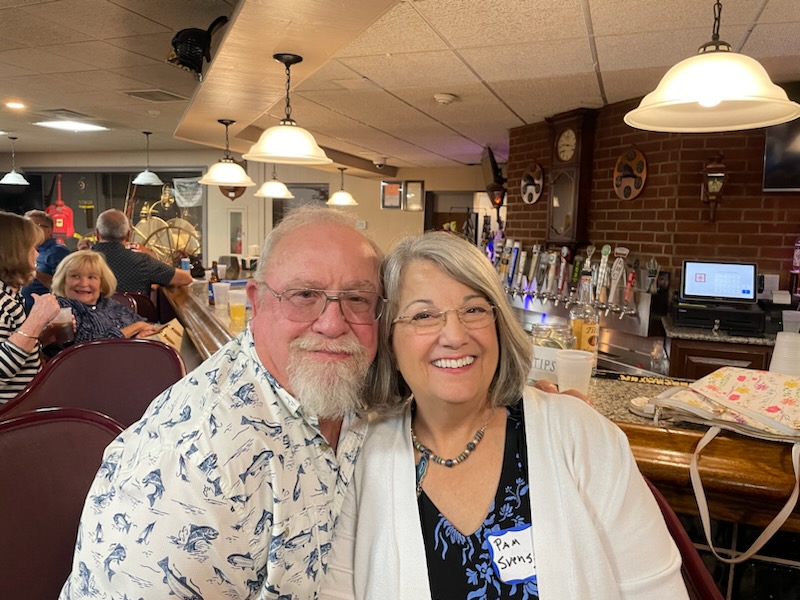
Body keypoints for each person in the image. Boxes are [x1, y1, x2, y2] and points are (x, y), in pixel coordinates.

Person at [320, 232, 688, 600]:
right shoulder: (359, 457)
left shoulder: (581, 435)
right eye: (424, 315)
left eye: (474, 310)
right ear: (389, 342)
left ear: (498, 324)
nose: (454, 335)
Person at [60, 205, 383, 599]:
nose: (333, 324)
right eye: (304, 295)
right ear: (256, 303)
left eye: (357, 298)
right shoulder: (195, 467)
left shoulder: (363, 394)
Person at [0, 211, 61, 403]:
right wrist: (36, 321)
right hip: (13, 413)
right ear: (14, 253)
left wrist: (42, 336)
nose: (37, 254)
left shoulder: (10, 295)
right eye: (32, 248)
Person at [50, 250, 162, 344]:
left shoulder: (110, 304)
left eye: (91, 277)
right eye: (75, 276)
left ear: (102, 284)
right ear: (63, 281)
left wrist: (144, 332)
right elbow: (89, 346)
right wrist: (136, 328)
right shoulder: (61, 308)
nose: (84, 283)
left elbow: (145, 324)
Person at [88, 208, 192, 294]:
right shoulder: (142, 262)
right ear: (128, 235)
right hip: (134, 313)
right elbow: (186, 278)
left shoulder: (82, 262)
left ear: (97, 234)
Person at [20, 210, 71, 312]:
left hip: (46, 313)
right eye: (26, 226)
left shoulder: (58, 252)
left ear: (49, 230)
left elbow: (64, 285)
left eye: (34, 226)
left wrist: (34, 272)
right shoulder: (24, 250)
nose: (28, 230)